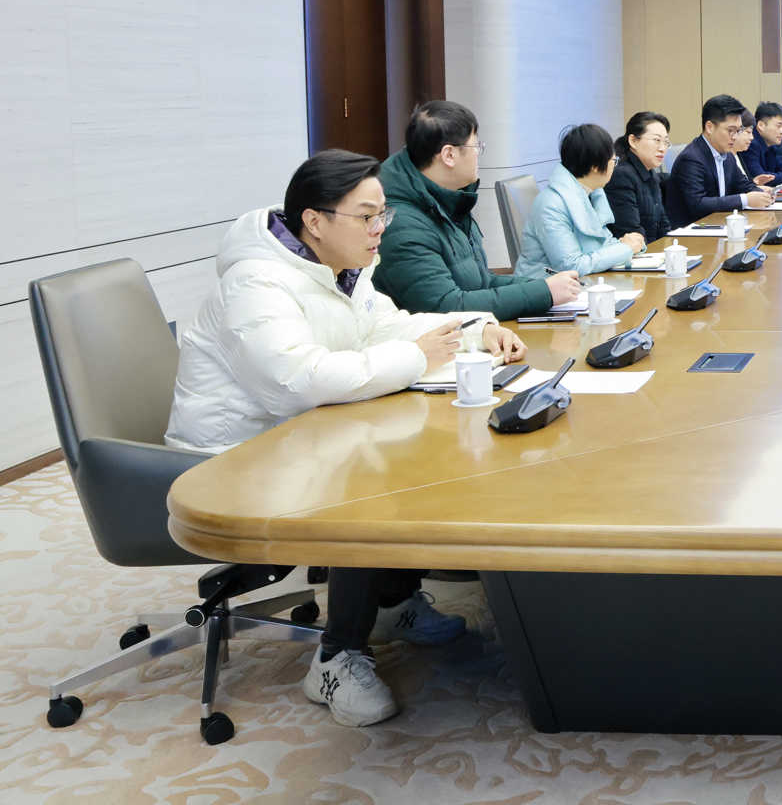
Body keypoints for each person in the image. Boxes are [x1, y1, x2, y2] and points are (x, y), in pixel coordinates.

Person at [166, 150, 528, 726]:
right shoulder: (256, 283)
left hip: (300, 436)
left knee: (418, 449)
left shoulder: (340, 269)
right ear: (315, 221)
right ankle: (335, 660)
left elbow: (391, 326)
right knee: (367, 483)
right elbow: (297, 382)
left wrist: (475, 330)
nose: (380, 227)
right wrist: (417, 356)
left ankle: (388, 602)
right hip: (231, 462)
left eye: (383, 213)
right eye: (367, 216)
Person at [375, 101, 578, 318]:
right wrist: (543, 292)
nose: (479, 154)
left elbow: (480, 282)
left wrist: (544, 286)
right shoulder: (402, 224)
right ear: (449, 155)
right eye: (476, 146)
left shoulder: (448, 199)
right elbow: (445, 308)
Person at [514, 124, 644, 277]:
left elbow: (603, 244)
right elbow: (571, 265)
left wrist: (628, 244)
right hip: (543, 286)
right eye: (613, 160)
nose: (614, 167)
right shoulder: (551, 204)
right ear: (595, 165)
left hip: (583, 283)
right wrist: (624, 248)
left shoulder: (593, 194)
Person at [666, 94, 775, 228]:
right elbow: (697, 205)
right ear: (709, 127)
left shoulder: (727, 156)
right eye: (731, 130)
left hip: (718, 226)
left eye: (739, 130)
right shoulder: (691, 158)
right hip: (691, 231)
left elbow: (744, 186)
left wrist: (761, 194)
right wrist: (746, 199)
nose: (735, 137)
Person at [606, 111, 673, 244]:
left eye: (666, 142)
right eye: (657, 140)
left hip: (654, 252)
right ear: (633, 141)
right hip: (635, 253)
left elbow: (662, 223)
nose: (663, 148)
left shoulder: (651, 173)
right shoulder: (621, 176)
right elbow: (630, 231)